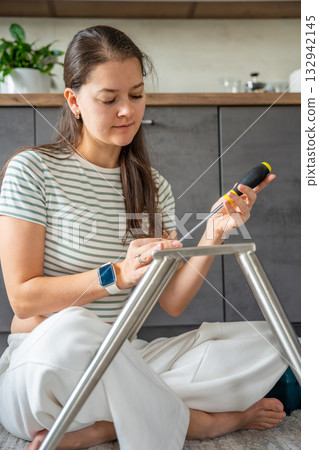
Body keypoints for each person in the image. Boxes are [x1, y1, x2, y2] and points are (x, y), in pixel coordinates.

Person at [0, 25, 287, 450]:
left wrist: (211, 232)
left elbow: (172, 302)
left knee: (270, 341)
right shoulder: (32, 171)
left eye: (136, 95)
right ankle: (201, 423)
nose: (126, 111)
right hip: (46, 368)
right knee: (76, 327)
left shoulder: (153, 185)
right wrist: (115, 274)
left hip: (125, 358)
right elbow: (23, 298)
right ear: (74, 101)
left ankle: (105, 425)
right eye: (109, 99)